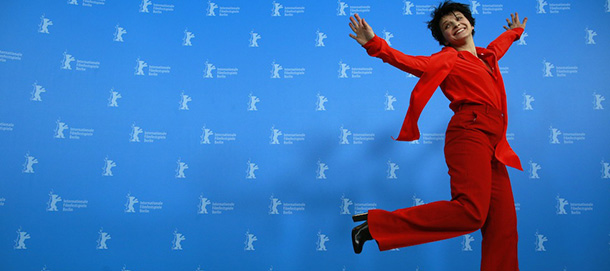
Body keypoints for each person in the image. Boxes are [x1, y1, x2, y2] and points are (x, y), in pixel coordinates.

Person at [348, 1, 527, 270]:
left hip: (495, 143)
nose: (455, 25)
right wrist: (375, 45)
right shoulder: (448, 58)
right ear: (445, 38)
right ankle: (376, 226)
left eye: (458, 19)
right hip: (469, 133)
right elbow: (409, 62)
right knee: (471, 212)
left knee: (503, 224)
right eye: (447, 26)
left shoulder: (487, 56)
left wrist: (514, 32)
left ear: (471, 23)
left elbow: (499, 45)